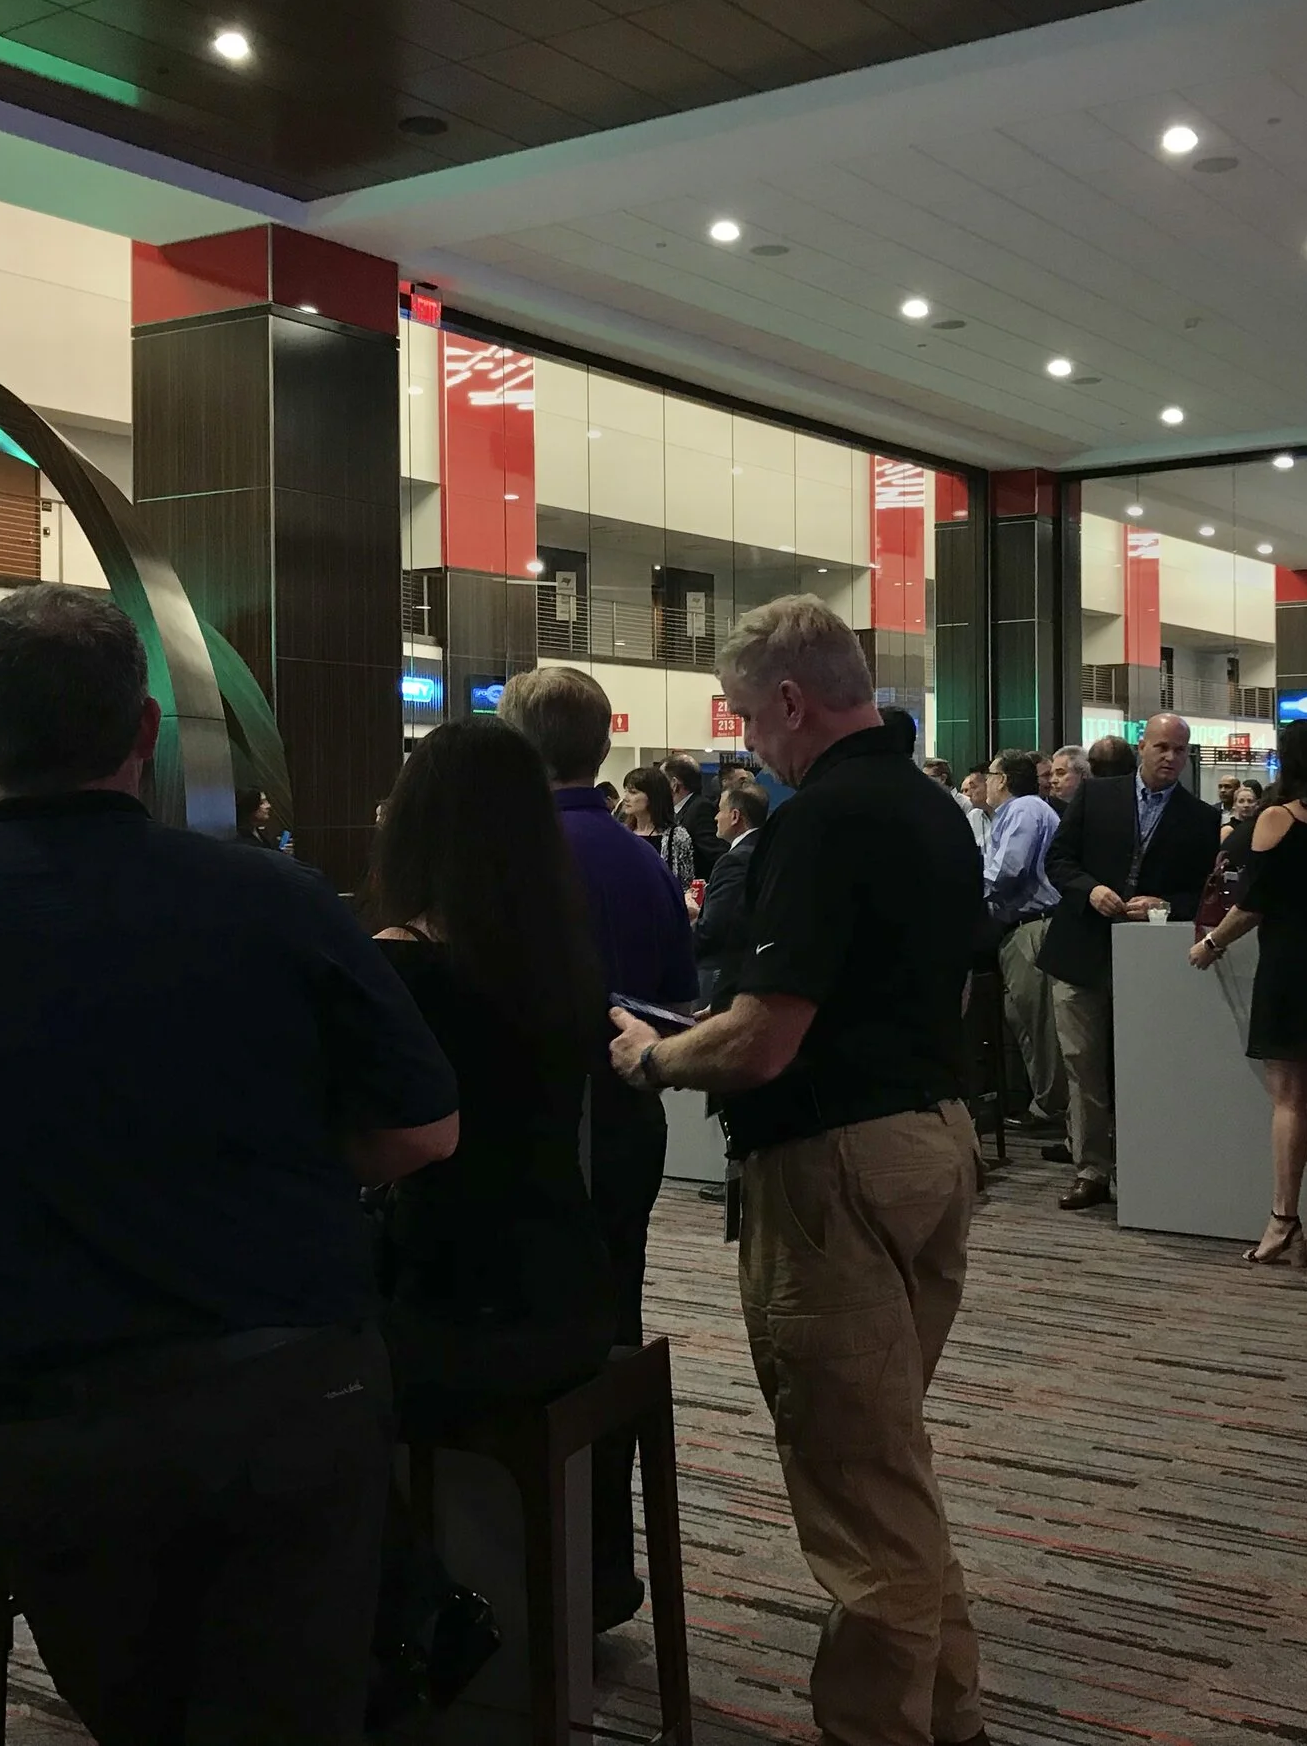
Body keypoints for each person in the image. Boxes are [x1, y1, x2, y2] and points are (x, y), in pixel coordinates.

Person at [0, 585, 461, 1742]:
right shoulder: (277, 900)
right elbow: (422, 1130)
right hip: (292, 1390)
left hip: (51, 1419)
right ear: (145, 733)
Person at [602, 595, 988, 1746]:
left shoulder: (819, 823)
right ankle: (951, 1711)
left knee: (855, 1484)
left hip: (835, 1168)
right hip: (931, 1143)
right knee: (885, 1457)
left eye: (741, 715)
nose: (741, 741)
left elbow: (765, 1036)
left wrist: (653, 1054)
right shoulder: (932, 809)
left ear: (787, 701)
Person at [498, 666, 697, 1629]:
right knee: (614, 1331)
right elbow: (679, 996)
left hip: (544, 1137)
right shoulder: (641, 857)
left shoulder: (511, 859)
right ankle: (605, 1569)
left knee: (540, 1352)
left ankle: (542, 1582)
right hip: (630, 1126)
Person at [366, 719, 614, 1433]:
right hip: (570, 1281)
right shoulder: (562, 953)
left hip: (453, 1300)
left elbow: (390, 1141)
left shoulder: (400, 959)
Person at [1189, 720, 1307, 1268]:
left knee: (1289, 1097)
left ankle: (1282, 1221)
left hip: (1290, 963)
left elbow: (1253, 903)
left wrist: (1211, 945)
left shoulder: (1277, 817)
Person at [1037, 713, 1219, 1211]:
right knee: (1083, 1065)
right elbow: (1058, 861)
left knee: (1145, 1066)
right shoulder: (1097, 796)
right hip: (1081, 948)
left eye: (1180, 751)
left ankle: (1149, 1165)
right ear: (1142, 747)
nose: (1170, 758)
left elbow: (1203, 894)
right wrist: (1089, 889)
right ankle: (1092, 1169)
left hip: (1149, 963)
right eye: (1162, 747)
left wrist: (1165, 905)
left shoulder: (1199, 816)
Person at [982, 749, 1066, 1135]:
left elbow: (1008, 870)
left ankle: (1052, 1108)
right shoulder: (1023, 810)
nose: (985, 781)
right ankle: (1046, 1102)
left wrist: (966, 882)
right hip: (1024, 926)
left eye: (990, 774)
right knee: (1024, 1017)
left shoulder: (1024, 810)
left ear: (1003, 779)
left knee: (1038, 1021)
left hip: (1035, 925)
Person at [695, 781, 769, 1006]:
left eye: (720, 810)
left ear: (735, 816)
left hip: (721, 970)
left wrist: (675, 946)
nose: (716, 817)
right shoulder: (768, 848)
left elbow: (715, 928)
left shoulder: (735, 860)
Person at [620, 765, 696, 884]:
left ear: (652, 796)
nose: (626, 798)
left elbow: (685, 883)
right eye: (626, 791)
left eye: (633, 792)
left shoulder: (676, 836)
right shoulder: (622, 833)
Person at [662, 752, 723, 880]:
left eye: (661, 780)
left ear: (674, 783)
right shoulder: (676, 810)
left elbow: (715, 853)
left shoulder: (700, 808)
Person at [957, 765, 993, 852]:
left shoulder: (1007, 815)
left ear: (989, 785)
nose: (969, 794)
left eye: (973, 787)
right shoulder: (973, 816)